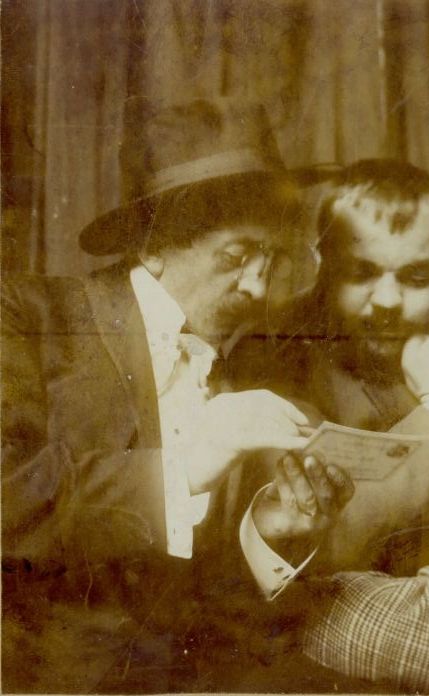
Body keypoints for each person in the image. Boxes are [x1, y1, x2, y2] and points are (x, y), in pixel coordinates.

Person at [1, 96, 350, 694]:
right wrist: (189, 463)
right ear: (154, 245)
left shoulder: (236, 372)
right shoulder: (28, 316)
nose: (257, 287)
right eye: (236, 256)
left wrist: (268, 531)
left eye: (269, 260)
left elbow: (211, 611)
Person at [230, 159, 429, 693]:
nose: (388, 302)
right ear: (322, 264)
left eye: (418, 277)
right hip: (367, 618)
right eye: (361, 273)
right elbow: (327, 537)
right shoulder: (273, 354)